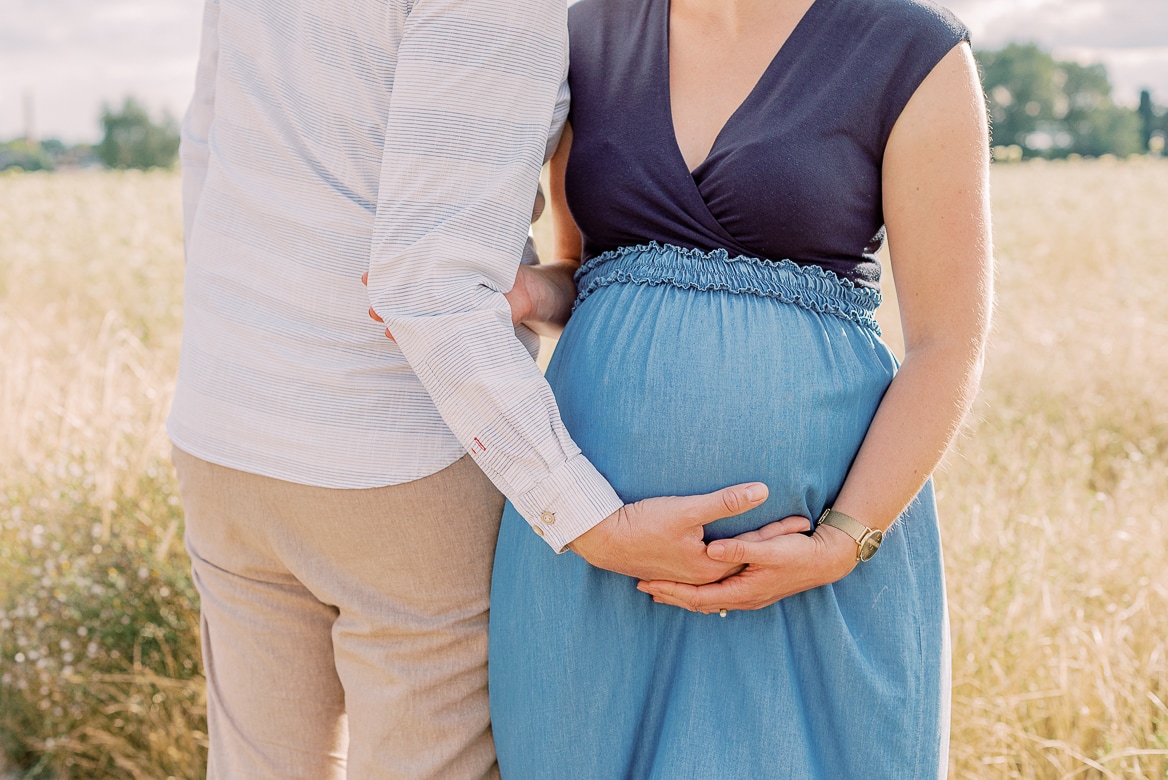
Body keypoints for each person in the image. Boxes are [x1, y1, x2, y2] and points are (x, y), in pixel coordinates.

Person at [169, 0, 770, 776]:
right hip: (396, 459)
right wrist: (595, 521)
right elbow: (429, 289)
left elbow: (204, 149)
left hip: (225, 428)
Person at [488, 0, 993, 776]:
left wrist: (839, 543)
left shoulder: (908, 47)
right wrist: (531, 295)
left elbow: (946, 342)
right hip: (594, 552)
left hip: (808, 572)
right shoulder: (587, 32)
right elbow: (583, 271)